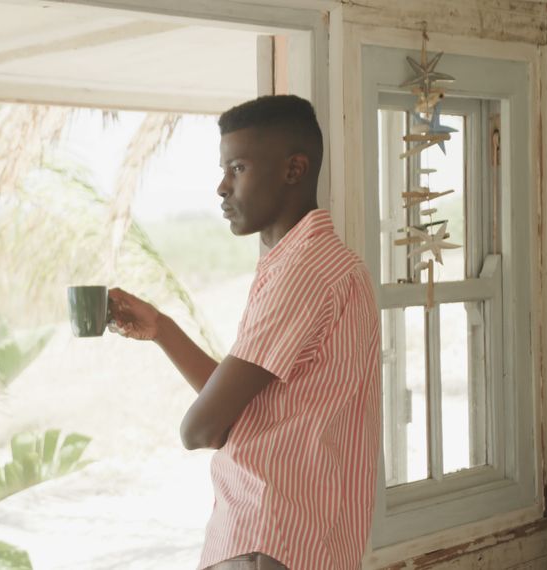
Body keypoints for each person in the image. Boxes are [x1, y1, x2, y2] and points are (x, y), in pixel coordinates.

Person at [108, 95, 380, 570]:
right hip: (299, 540)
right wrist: (162, 330)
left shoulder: (305, 270)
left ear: (294, 170)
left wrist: (200, 422)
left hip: (266, 538)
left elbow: (202, 429)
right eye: (224, 169)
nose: (221, 187)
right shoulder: (316, 263)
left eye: (237, 168)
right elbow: (242, 415)